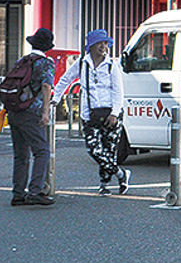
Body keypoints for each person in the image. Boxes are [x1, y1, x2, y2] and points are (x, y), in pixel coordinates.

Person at [52, 29, 129, 195]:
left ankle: (104, 185)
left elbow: (118, 91)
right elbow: (65, 79)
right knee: (94, 150)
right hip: (89, 114)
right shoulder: (82, 63)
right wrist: (56, 98)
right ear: (91, 46)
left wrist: (115, 113)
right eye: (99, 43)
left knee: (109, 150)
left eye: (105, 43)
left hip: (111, 112)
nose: (103, 47)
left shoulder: (112, 65)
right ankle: (121, 174)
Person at [8, 28, 56, 207]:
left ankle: (18, 193)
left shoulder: (22, 61)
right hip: (31, 112)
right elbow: (46, 86)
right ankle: (35, 191)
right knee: (42, 150)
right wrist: (45, 111)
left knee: (20, 155)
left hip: (14, 111)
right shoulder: (45, 63)